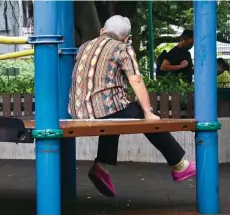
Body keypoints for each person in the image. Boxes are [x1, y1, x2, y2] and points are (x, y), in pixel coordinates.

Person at [68, 15, 196, 198]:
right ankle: (179, 164)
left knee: (115, 114)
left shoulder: (84, 46)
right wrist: (148, 112)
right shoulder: (122, 47)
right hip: (104, 111)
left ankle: (101, 166)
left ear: (102, 31)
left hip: (77, 111)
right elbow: (136, 79)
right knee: (138, 112)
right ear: (126, 38)